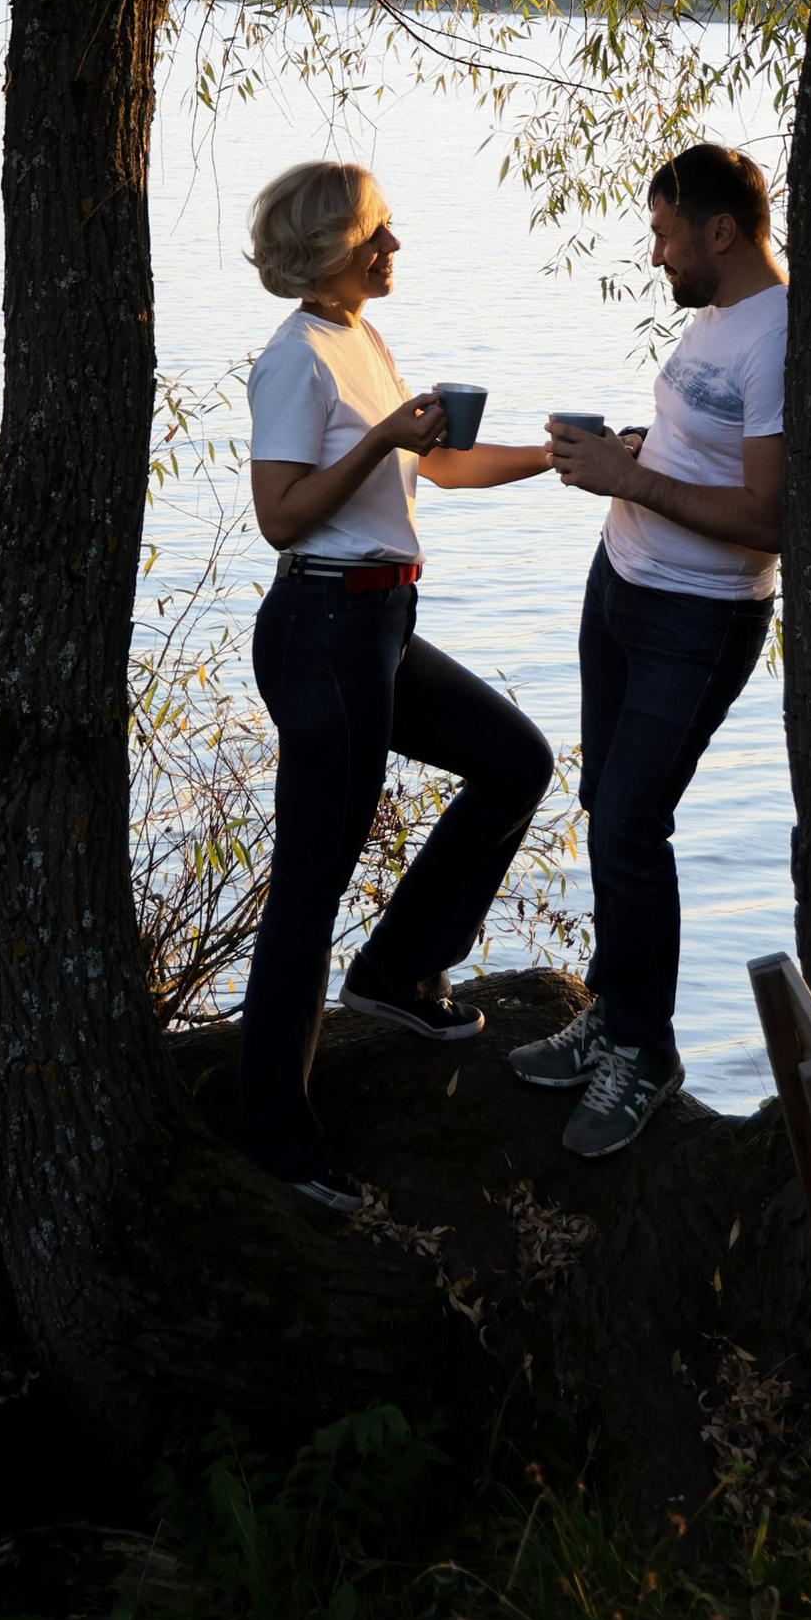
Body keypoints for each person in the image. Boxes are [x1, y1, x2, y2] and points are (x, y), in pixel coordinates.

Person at [236, 156, 555, 1211]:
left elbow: (440, 469)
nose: (393, 247)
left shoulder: (361, 337)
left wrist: (558, 455)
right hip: (322, 624)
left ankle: (396, 975)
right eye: (376, 233)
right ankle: (275, 1141)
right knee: (309, 885)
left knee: (514, 761)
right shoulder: (296, 362)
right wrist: (381, 435)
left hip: (381, 621)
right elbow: (282, 515)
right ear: (331, 247)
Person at [513, 141, 785, 1156]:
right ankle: (614, 1014)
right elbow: (701, 452)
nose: (655, 254)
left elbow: (770, 518)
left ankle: (646, 1053)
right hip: (619, 586)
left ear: (720, 231)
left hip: (698, 615)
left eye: (666, 234)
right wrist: (630, 453)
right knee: (604, 810)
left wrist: (630, 483)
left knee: (633, 821)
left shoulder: (779, 337)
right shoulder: (717, 319)